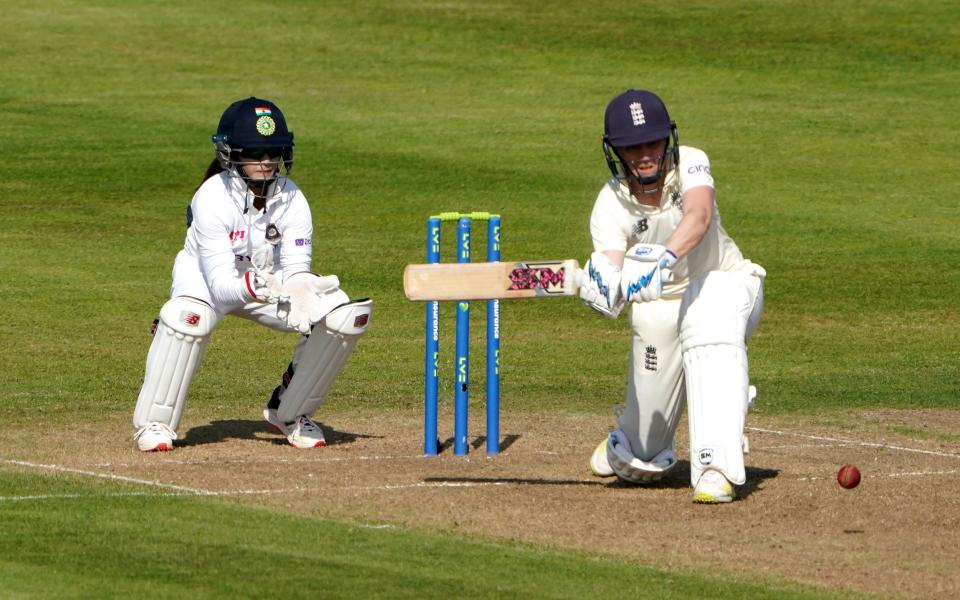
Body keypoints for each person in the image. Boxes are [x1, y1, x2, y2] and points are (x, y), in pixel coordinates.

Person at [132, 97, 372, 452]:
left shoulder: (292, 199)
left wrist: (301, 286)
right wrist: (255, 285)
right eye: (255, 154)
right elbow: (221, 285)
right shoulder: (211, 198)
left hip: (268, 282)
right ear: (232, 154)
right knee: (188, 320)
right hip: (206, 282)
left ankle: (291, 413)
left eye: (273, 153)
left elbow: (294, 267)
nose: (266, 162)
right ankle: (155, 423)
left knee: (341, 314)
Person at [576, 89, 765, 503]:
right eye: (632, 147)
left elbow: (699, 215)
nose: (645, 154)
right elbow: (611, 267)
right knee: (642, 460)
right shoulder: (610, 204)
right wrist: (605, 286)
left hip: (726, 284)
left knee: (710, 315)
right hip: (659, 310)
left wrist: (665, 256)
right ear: (616, 152)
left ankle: (716, 468)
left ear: (669, 141)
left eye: (652, 142)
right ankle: (627, 441)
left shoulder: (692, 162)